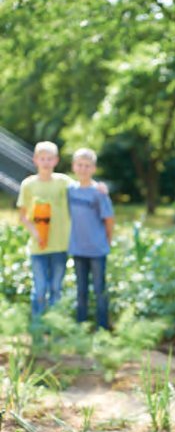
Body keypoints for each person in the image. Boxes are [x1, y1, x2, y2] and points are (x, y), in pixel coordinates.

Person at [17, 141, 72, 321]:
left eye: (50, 159)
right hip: (38, 247)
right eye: (42, 158)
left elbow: (84, 189)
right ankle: (38, 327)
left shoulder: (64, 182)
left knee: (56, 288)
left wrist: (100, 188)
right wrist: (35, 232)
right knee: (40, 289)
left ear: (56, 160)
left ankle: (55, 326)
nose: (46, 162)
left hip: (60, 245)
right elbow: (23, 216)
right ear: (35, 160)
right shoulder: (28, 184)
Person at [68, 148, 114, 330]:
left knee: (99, 289)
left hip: (97, 250)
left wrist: (107, 242)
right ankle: (81, 326)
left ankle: (102, 327)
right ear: (73, 166)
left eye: (87, 166)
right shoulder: (70, 190)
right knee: (81, 290)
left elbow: (109, 220)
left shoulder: (99, 193)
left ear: (93, 168)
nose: (83, 169)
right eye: (79, 165)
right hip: (78, 249)